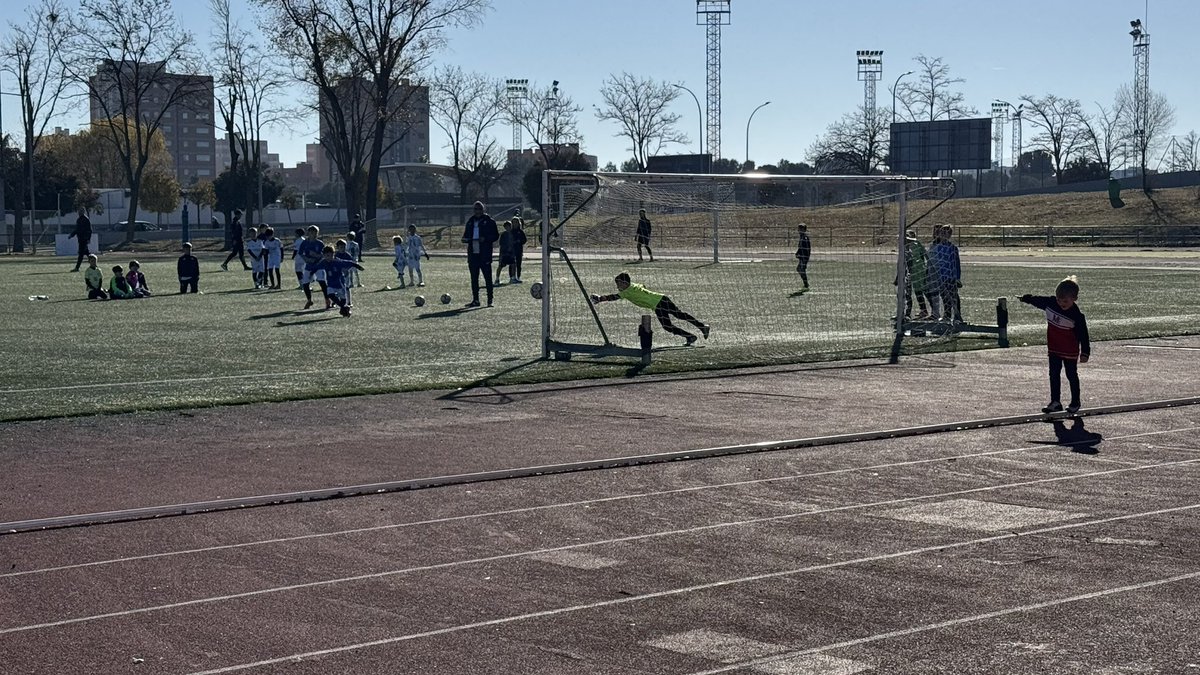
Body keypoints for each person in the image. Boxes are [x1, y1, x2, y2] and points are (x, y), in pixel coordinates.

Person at [1020, 276, 1091, 415]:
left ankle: (1075, 402)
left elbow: (1084, 335)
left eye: (1065, 301)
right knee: (1053, 374)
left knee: (1071, 375)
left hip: (1070, 350)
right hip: (1054, 348)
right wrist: (1027, 298)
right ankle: (1055, 402)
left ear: (1074, 299)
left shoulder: (1077, 316)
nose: (1061, 303)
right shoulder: (1051, 303)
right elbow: (1039, 300)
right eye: (1059, 300)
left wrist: (1085, 352)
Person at [591, 272, 710, 346]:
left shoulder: (627, 291)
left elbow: (614, 297)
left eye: (618, 284)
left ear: (624, 283)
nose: (617, 287)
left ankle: (694, 333)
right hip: (661, 300)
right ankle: (696, 332)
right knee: (676, 318)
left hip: (659, 303)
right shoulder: (633, 286)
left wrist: (600, 298)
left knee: (671, 323)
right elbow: (642, 285)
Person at [306, 245, 365, 317]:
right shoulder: (323, 262)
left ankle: (344, 309)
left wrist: (358, 266)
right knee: (330, 294)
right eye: (326, 256)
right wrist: (311, 273)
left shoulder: (338, 262)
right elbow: (316, 267)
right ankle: (344, 308)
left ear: (333, 255)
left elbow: (349, 262)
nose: (328, 257)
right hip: (331, 284)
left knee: (343, 300)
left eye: (330, 255)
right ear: (323, 255)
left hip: (340, 284)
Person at [461, 200, 499, 307]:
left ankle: (490, 300)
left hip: (485, 254)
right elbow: (465, 235)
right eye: (475, 209)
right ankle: (475, 300)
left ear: (483, 209)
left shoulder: (490, 221)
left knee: (487, 278)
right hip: (473, 254)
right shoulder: (470, 221)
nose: (477, 211)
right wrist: (465, 239)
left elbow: (495, 236)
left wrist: (485, 239)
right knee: (474, 278)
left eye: (479, 209)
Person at [928, 225, 963, 322]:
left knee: (954, 296)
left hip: (951, 276)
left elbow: (957, 264)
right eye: (941, 233)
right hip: (941, 276)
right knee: (944, 296)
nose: (943, 235)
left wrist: (957, 277)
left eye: (945, 233)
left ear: (949, 235)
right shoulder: (937, 247)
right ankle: (947, 315)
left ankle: (957, 316)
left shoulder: (953, 248)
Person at [901, 229, 937, 319]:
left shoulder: (916, 244)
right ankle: (922, 310)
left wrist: (929, 267)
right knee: (915, 292)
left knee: (923, 291)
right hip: (911, 272)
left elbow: (925, 256)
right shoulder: (905, 247)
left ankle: (934, 311)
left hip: (919, 271)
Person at [297, 225, 326, 309]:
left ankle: (328, 300)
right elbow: (301, 253)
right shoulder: (305, 243)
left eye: (315, 232)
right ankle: (309, 300)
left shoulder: (320, 243)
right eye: (311, 232)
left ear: (317, 233)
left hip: (319, 266)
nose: (313, 233)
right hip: (309, 266)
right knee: (305, 283)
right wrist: (306, 259)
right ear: (308, 233)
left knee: (322, 283)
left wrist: (316, 256)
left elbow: (324, 255)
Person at [496, 220, 517, 284]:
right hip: (504, 253)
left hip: (511, 253)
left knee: (513, 264)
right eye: (507, 227)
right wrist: (506, 249)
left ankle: (513, 278)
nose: (508, 228)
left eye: (509, 226)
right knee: (500, 266)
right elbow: (501, 243)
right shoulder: (503, 234)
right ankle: (497, 279)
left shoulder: (513, 234)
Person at [794, 222, 811, 291]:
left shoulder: (805, 238)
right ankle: (805, 283)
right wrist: (798, 253)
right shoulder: (802, 237)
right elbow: (800, 247)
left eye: (800, 229)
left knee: (801, 269)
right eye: (799, 229)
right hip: (802, 257)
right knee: (799, 269)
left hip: (804, 257)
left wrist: (804, 257)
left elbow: (807, 249)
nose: (799, 230)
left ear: (804, 230)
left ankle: (806, 283)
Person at [510, 216, 528, 283]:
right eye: (514, 222)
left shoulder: (520, 232)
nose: (515, 224)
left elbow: (524, 240)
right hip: (512, 250)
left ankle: (518, 276)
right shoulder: (510, 231)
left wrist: (519, 241)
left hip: (519, 250)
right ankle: (512, 277)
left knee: (518, 264)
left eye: (516, 222)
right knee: (511, 263)